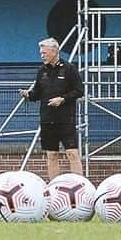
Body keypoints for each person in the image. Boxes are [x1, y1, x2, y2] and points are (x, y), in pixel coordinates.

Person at [25, 37, 84, 179]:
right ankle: (53, 186)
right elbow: (37, 93)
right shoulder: (42, 71)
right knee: (51, 155)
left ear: (54, 51)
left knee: (72, 153)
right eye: (41, 52)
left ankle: (79, 185)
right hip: (47, 119)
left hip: (65, 119)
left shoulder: (69, 69)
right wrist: (28, 95)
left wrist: (62, 99)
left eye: (44, 52)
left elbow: (79, 90)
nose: (42, 55)